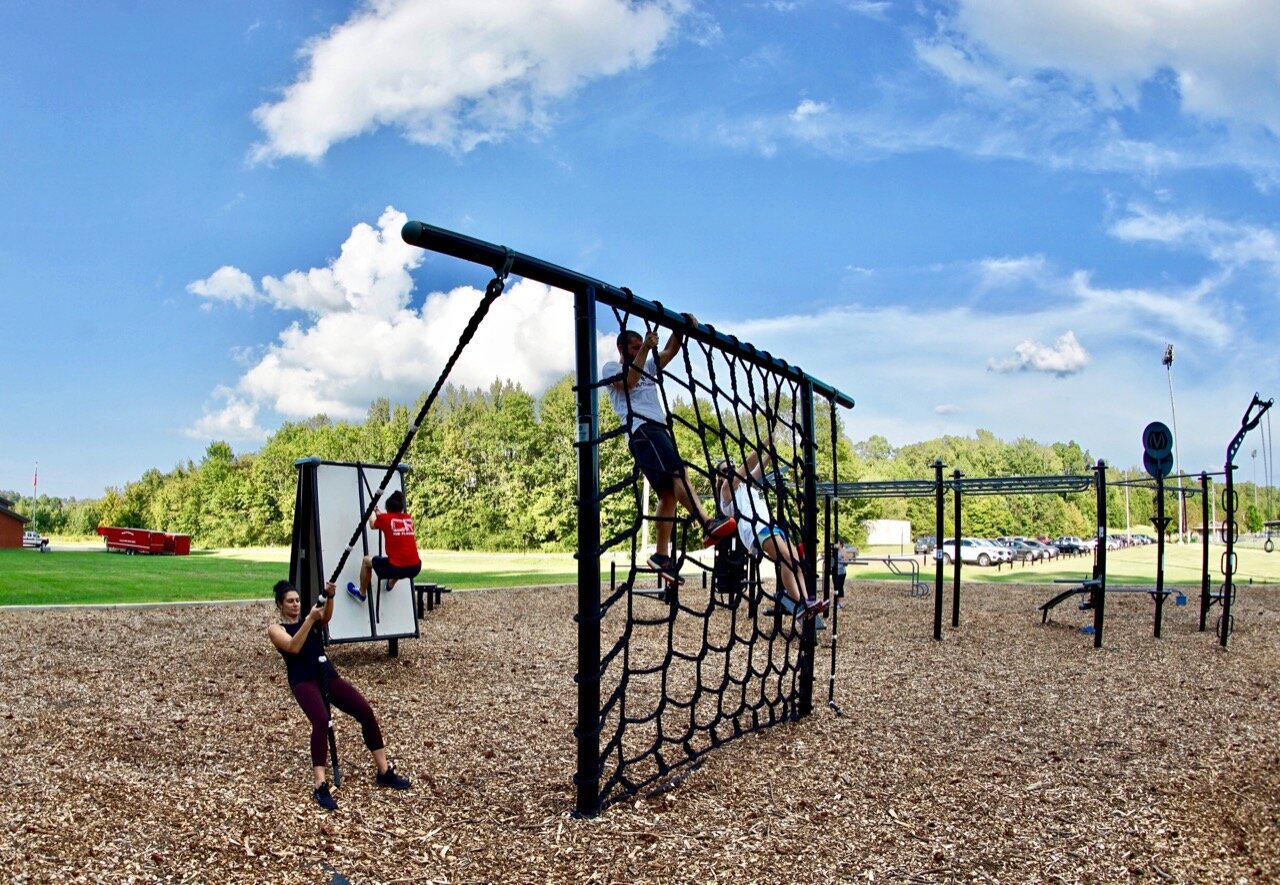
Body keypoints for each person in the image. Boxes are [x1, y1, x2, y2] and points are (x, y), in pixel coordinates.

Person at [603, 321, 736, 586]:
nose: (640, 349)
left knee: (668, 492)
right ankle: (707, 522)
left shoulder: (649, 363)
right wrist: (646, 350)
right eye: (635, 346)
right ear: (622, 348)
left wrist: (680, 328)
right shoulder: (611, 368)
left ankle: (661, 555)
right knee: (679, 473)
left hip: (657, 430)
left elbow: (671, 351)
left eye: (642, 345)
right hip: (642, 430)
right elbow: (629, 381)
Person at [268, 580, 411, 810]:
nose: (295, 604)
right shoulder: (277, 629)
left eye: (297, 600)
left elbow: (326, 617)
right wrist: (309, 619)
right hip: (303, 681)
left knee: (365, 711)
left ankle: (384, 771)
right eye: (289, 601)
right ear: (280, 605)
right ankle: (320, 785)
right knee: (321, 721)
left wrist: (331, 596)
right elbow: (294, 647)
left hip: (326, 674)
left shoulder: (313, 619)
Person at [716, 447, 828, 622]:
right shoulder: (726, 492)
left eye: (732, 467)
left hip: (770, 526)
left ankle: (806, 602)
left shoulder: (745, 486)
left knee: (796, 561)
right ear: (720, 476)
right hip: (756, 530)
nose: (730, 471)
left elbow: (758, 467)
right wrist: (764, 443)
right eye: (725, 470)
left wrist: (770, 451)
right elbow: (747, 466)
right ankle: (799, 604)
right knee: (786, 559)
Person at [350, 489, 422, 602]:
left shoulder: (385, 519)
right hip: (415, 567)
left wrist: (372, 511)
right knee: (400, 560)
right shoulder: (408, 519)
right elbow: (392, 522)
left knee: (366, 561)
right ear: (401, 508)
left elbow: (373, 524)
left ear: (387, 508)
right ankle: (390, 584)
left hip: (396, 568)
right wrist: (380, 515)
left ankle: (361, 593)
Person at [829, 539, 848, 607]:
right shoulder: (835, 552)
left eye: (837, 543)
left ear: (841, 544)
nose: (836, 544)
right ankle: (836, 602)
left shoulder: (843, 552)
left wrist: (842, 562)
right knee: (835, 587)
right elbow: (831, 561)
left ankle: (840, 602)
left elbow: (846, 563)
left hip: (841, 573)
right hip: (835, 572)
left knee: (840, 587)